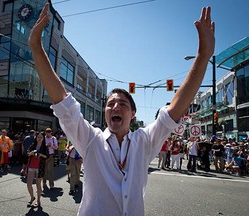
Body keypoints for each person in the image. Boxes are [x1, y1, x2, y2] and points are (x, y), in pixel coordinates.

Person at [29, 3, 215, 215]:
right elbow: (63, 103)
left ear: (132, 114)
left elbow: (174, 109)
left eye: (123, 104)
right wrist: (36, 46)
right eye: (110, 104)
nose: (115, 106)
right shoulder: (90, 139)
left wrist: (203, 55)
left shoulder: (144, 141)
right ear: (106, 113)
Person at [26, 132, 48, 207]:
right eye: (38, 137)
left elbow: (47, 156)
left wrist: (41, 154)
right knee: (29, 184)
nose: (39, 138)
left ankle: (38, 201)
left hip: (40, 167)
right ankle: (32, 197)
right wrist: (31, 153)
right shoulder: (33, 145)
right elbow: (27, 153)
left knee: (38, 184)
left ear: (43, 138)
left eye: (41, 137)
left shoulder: (44, 147)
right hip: (31, 166)